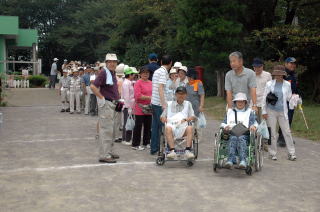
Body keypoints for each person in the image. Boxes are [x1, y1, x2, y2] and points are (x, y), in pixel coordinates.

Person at [261, 66, 297, 161]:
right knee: (272, 133)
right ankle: (272, 153)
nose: (278, 76)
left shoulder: (287, 85)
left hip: (282, 111)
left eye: (280, 74)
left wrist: (295, 99)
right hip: (271, 111)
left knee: (287, 132)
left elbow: (289, 97)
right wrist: (264, 111)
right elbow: (264, 98)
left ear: (283, 75)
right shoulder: (269, 84)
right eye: (276, 74)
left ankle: (291, 153)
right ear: (274, 74)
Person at [90, 53, 121, 163]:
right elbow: (93, 86)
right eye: (110, 62)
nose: (112, 63)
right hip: (107, 103)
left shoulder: (111, 73)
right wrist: (101, 97)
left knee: (111, 129)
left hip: (112, 103)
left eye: (114, 62)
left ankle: (109, 151)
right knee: (106, 130)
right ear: (106, 63)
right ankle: (105, 154)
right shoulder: (104, 73)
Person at [221, 93, 258, 169]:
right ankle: (230, 160)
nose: (240, 103)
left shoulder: (249, 112)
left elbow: (255, 123)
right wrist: (225, 126)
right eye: (238, 101)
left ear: (245, 102)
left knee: (241, 138)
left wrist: (253, 126)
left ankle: (243, 161)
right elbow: (222, 123)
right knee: (233, 138)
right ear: (235, 103)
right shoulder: (230, 112)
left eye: (242, 101)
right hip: (232, 133)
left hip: (245, 135)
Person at [160, 86, 196, 159]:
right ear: (175, 94)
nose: (181, 95)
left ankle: (187, 151)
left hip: (183, 127)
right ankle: (172, 151)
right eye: (179, 93)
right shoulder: (169, 104)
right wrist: (163, 118)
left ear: (186, 95)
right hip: (172, 127)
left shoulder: (188, 104)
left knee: (190, 128)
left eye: (183, 94)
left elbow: (193, 117)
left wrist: (186, 119)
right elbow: (162, 116)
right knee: (167, 127)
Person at [150, 55, 173, 155]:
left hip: (154, 101)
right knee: (165, 126)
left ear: (161, 62)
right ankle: (168, 148)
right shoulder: (163, 72)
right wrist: (163, 103)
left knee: (155, 126)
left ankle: (154, 148)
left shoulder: (157, 71)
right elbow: (160, 87)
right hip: (159, 103)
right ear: (171, 63)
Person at [278, 57, 300, 147]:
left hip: (292, 101)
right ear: (286, 64)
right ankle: (282, 139)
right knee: (284, 119)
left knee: (289, 119)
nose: (293, 65)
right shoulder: (282, 74)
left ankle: (286, 137)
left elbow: (295, 87)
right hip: (283, 101)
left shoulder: (294, 75)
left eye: (294, 63)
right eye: (291, 63)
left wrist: (298, 97)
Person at [132, 66, 153, 150]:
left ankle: (146, 142)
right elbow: (137, 96)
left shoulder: (151, 83)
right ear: (140, 74)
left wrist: (149, 98)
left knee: (148, 126)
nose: (145, 74)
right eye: (143, 73)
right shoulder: (138, 83)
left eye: (147, 73)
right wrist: (149, 98)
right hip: (139, 107)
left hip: (149, 107)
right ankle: (135, 144)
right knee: (138, 126)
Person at [252, 58, 272, 122]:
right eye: (255, 67)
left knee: (264, 123)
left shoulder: (268, 75)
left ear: (262, 66)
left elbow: (271, 89)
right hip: (253, 103)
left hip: (264, 103)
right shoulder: (251, 76)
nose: (257, 68)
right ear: (253, 67)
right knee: (253, 123)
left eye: (259, 67)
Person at [121, 67, 135, 145]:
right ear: (130, 75)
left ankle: (126, 138)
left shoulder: (128, 82)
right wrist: (128, 107)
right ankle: (126, 139)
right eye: (133, 74)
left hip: (129, 105)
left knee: (128, 122)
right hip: (127, 106)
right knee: (128, 122)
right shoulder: (126, 83)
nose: (134, 76)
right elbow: (126, 96)